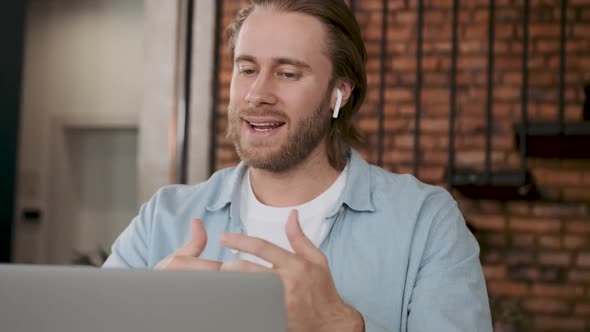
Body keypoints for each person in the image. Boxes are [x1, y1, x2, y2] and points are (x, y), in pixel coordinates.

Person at [103, 0, 493, 331]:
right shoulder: (164, 217)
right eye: (247, 69)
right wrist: (147, 311)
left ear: (338, 94)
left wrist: (339, 324)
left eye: (288, 73)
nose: (258, 94)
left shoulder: (425, 222)